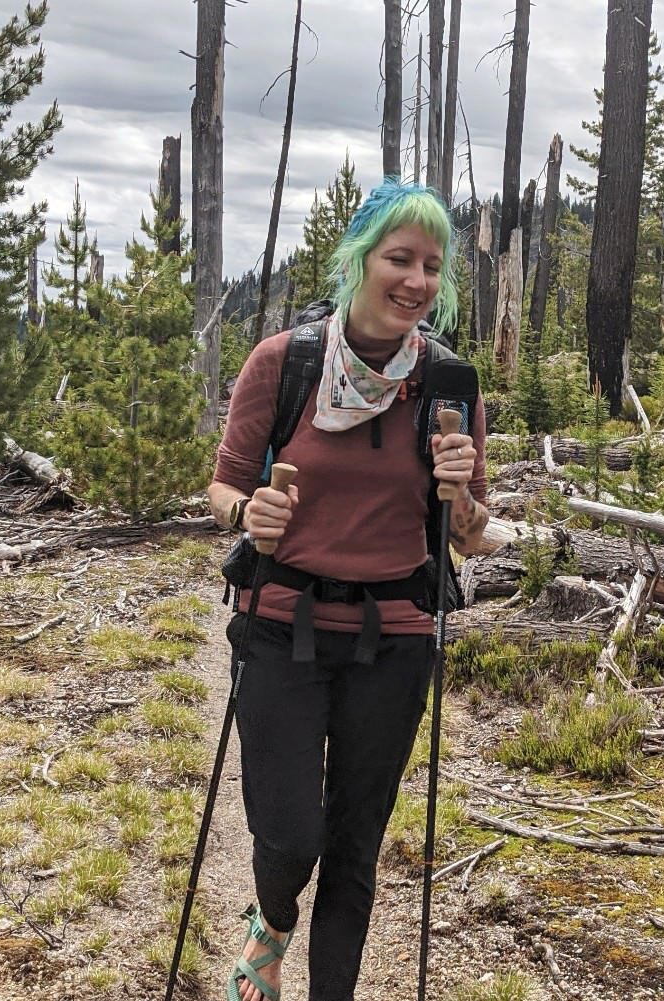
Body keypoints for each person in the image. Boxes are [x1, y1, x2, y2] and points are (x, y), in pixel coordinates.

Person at [206, 177, 489, 1001]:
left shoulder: (448, 383)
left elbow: (469, 534)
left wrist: (462, 495)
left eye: (433, 265)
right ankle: (271, 920)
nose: (418, 281)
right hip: (280, 622)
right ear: (359, 261)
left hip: (396, 636)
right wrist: (245, 513)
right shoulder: (283, 363)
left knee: (357, 843)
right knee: (290, 832)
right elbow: (221, 487)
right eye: (400, 259)